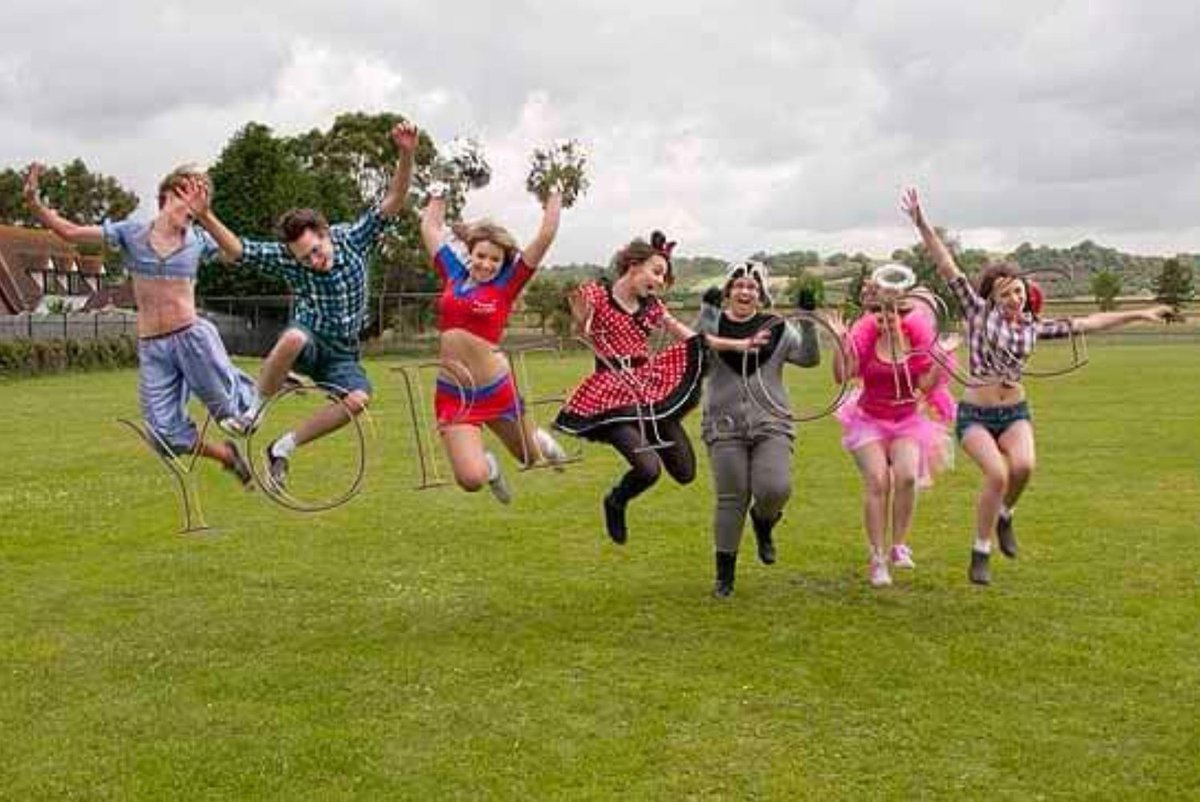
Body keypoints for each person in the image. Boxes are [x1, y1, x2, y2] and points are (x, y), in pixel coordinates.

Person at [902, 187, 1173, 585]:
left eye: (1017, 291)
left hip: (1015, 413)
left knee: (1024, 467)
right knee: (996, 473)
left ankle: (1006, 515)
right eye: (1005, 293)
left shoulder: (1034, 329)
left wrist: (1140, 313)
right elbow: (946, 264)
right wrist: (922, 223)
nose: (1014, 298)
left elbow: (1091, 323)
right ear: (991, 298)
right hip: (976, 414)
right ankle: (981, 549)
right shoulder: (977, 314)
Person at [187, 121, 419, 491]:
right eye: (304, 257)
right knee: (294, 337)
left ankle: (282, 447)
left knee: (359, 399)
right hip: (310, 339)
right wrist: (204, 216)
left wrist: (406, 152)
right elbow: (238, 249)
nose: (313, 261)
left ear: (326, 233)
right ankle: (254, 412)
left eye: (316, 251)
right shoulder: (290, 259)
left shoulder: (353, 239)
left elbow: (394, 200)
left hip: (343, 352)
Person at [23, 162, 256, 485]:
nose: (192, 207)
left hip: (192, 338)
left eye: (199, 202)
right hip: (153, 348)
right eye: (187, 196)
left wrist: (207, 216)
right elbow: (71, 232)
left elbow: (235, 251)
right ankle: (226, 456)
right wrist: (35, 204)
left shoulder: (198, 238)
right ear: (165, 196)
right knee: (162, 437)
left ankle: (268, 382)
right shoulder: (130, 234)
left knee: (232, 412)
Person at [555, 232, 768, 545]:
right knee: (648, 469)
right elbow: (582, 331)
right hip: (610, 395)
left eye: (664, 275)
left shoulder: (651, 306)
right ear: (633, 264)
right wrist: (581, 321)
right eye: (656, 271)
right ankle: (616, 501)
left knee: (685, 472)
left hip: (649, 387)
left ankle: (656, 429)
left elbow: (692, 338)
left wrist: (739, 343)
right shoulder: (598, 294)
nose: (660, 279)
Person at [417, 183, 568, 503]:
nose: (486, 264)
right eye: (480, 256)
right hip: (454, 394)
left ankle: (540, 440)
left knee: (530, 460)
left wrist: (555, 191)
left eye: (494, 259)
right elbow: (430, 226)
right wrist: (439, 188)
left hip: (496, 389)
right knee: (471, 480)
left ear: (504, 262)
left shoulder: (507, 284)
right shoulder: (452, 274)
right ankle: (490, 468)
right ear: (470, 253)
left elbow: (545, 235)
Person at [696, 260, 820, 598]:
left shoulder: (777, 328)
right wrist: (706, 313)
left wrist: (807, 320)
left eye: (752, 286)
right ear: (728, 292)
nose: (745, 290)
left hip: (772, 423)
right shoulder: (716, 324)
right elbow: (697, 355)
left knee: (774, 488)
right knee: (731, 497)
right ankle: (725, 576)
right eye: (738, 285)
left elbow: (809, 358)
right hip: (724, 426)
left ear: (761, 294)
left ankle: (764, 522)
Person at [826, 278, 952, 587]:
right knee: (878, 480)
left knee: (907, 477)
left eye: (891, 313)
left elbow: (925, 386)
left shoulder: (915, 343)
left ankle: (898, 545)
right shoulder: (867, 341)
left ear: (902, 315)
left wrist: (942, 357)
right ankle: (878, 557)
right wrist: (841, 343)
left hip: (907, 421)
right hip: (868, 419)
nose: (885, 319)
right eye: (879, 314)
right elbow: (841, 376)